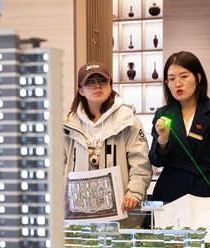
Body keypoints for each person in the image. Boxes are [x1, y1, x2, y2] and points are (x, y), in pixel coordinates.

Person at [63, 62, 152, 227]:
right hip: (77, 215)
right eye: (90, 82)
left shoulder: (128, 120)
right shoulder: (67, 125)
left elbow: (140, 162)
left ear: (111, 86)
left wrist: (134, 193)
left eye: (102, 81)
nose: (97, 86)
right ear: (81, 90)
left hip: (121, 213)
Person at [149, 51, 210, 203]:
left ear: (198, 78)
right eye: (171, 79)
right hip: (169, 191)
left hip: (205, 189)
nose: (177, 83)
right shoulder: (163, 114)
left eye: (184, 76)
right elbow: (156, 161)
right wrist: (163, 139)